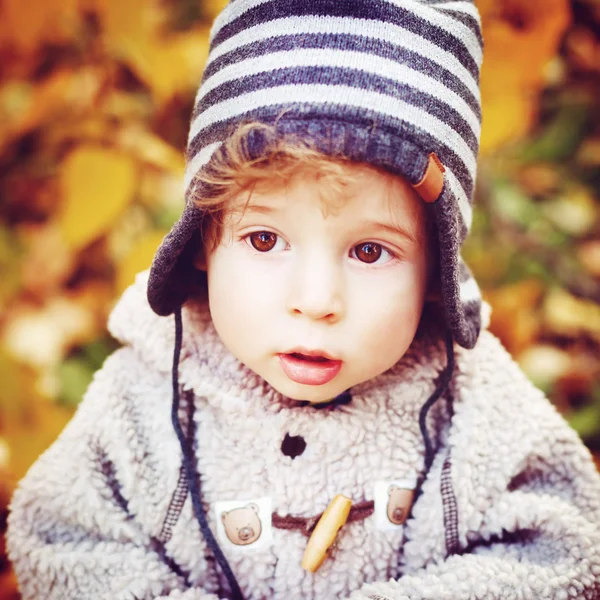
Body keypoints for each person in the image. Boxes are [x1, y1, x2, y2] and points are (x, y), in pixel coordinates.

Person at [7, 1, 600, 599]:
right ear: (201, 246)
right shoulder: (145, 396)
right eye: (265, 239)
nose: (317, 301)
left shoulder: (472, 400)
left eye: (370, 251)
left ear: (434, 273)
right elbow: (66, 543)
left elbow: (562, 552)